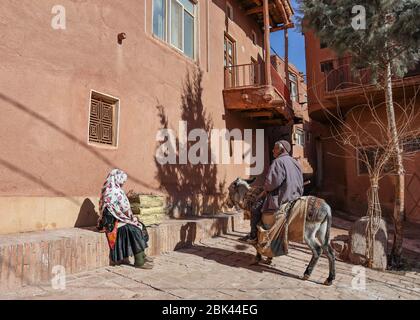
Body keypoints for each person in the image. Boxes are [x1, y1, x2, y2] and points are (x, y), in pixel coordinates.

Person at [242, 140, 304, 244]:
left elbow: (271, 184)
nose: (272, 150)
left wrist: (265, 190)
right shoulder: (295, 162)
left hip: (282, 197)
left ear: (282, 149)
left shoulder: (278, 162)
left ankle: (253, 236)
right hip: (296, 196)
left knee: (255, 207)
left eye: (275, 148)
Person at [97, 168, 154, 269]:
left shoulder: (107, 189)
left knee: (138, 224)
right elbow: (125, 208)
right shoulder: (115, 191)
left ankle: (142, 255)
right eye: (122, 181)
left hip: (111, 221)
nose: (123, 183)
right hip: (112, 224)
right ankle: (139, 260)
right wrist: (131, 218)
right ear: (117, 179)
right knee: (134, 229)